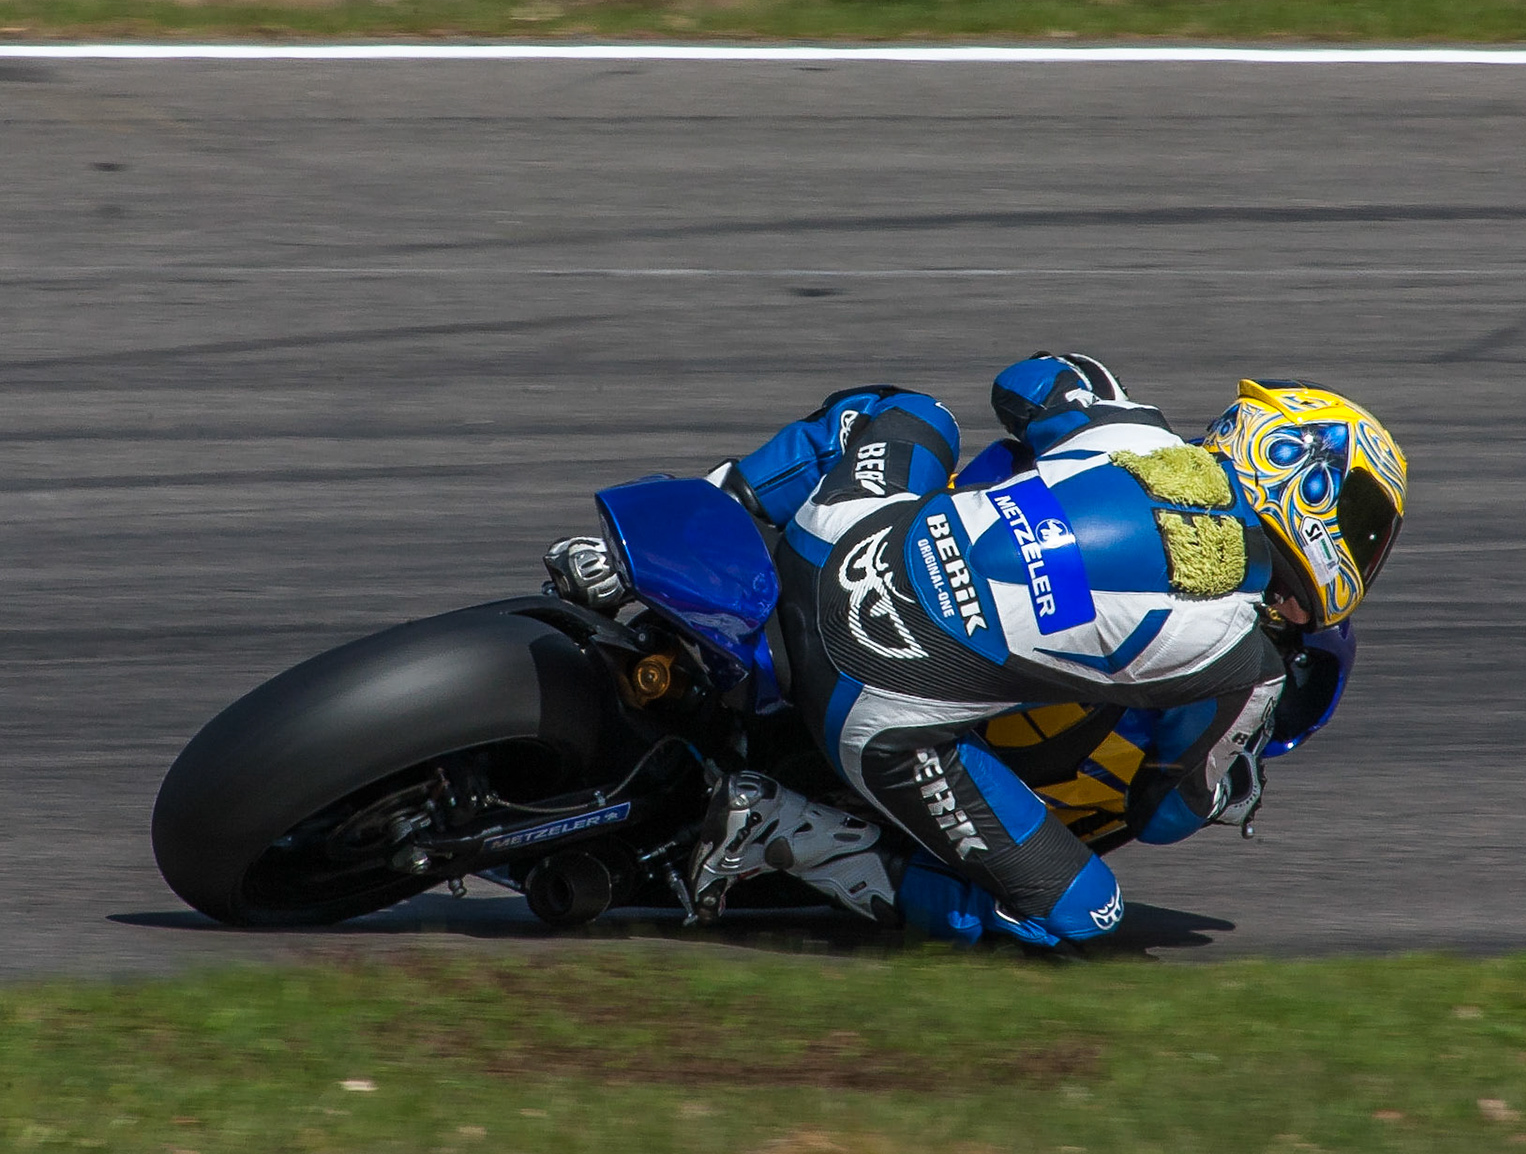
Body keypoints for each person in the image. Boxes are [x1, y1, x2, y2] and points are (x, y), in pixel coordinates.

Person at [544, 354, 1406, 947]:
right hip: (869, 709)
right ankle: (784, 833)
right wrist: (1226, 782)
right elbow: (1164, 815)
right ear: (1316, 497)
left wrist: (1087, 388)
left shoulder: (1138, 439)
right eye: (1363, 528)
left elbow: (1026, 382)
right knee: (1086, 915)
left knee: (902, 412)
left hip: (826, 548)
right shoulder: (1244, 659)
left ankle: (670, 542)